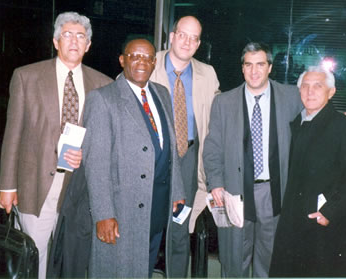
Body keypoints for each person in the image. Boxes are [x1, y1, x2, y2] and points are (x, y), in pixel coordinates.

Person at [0, 12, 112, 279]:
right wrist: (7, 186)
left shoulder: (103, 84)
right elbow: (12, 134)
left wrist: (88, 153)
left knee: (69, 261)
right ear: (55, 41)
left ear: (89, 45)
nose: (74, 41)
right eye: (67, 35)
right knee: (34, 256)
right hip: (36, 183)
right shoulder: (27, 77)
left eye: (80, 36)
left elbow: (103, 139)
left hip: (79, 188)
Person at [82, 38, 186, 278]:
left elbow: (170, 146)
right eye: (134, 56)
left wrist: (177, 190)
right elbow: (96, 164)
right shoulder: (103, 99)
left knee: (143, 267)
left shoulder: (161, 93)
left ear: (154, 63)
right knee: (116, 270)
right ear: (122, 60)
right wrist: (103, 214)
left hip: (157, 205)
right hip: (121, 209)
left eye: (147, 57)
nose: (141, 62)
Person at [202, 42, 303, 277]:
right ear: (242, 68)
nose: (254, 71)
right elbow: (212, 147)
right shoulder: (224, 102)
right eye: (249, 65)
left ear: (270, 67)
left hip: (273, 189)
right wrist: (215, 182)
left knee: (269, 257)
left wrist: (345, 119)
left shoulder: (291, 96)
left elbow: (316, 113)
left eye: (260, 64)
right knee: (235, 256)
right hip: (236, 191)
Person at [269, 66, 346, 277]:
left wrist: (330, 212)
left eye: (317, 86)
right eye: (305, 86)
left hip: (322, 226)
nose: (310, 91)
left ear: (331, 92)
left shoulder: (343, 127)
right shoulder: (296, 124)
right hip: (292, 224)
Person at [149, 15, 220, 277]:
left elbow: (223, 110)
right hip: (154, 159)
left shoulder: (207, 74)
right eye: (183, 34)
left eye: (194, 37)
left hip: (189, 159)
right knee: (148, 227)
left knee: (180, 228)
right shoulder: (149, 63)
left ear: (199, 43)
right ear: (172, 36)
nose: (187, 41)